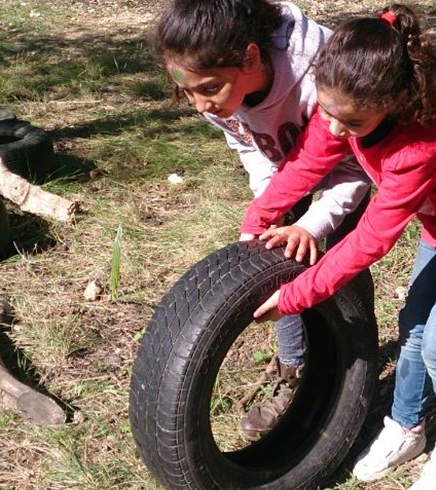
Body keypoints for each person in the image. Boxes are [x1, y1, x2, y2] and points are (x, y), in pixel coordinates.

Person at [240, 4, 436, 489]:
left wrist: (298, 295)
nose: (337, 129)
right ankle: (406, 426)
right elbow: (305, 165)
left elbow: (371, 238)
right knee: (415, 326)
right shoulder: (346, 105)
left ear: (394, 101)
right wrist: (257, 218)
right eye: (329, 112)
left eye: (353, 124)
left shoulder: (416, 147)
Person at [148, 0, 371, 441]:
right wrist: (273, 204)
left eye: (208, 90)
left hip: (350, 170)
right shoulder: (215, 91)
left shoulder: (328, 73)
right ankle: (295, 369)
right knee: (275, 262)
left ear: (250, 57)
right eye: (188, 92)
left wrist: (313, 222)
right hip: (289, 171)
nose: (199, 107)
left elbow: (358, 170)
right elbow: (251, 144)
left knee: (344, 272)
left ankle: (355, 373)